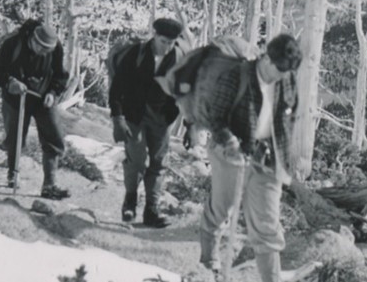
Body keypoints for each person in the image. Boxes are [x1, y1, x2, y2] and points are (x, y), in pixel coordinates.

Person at [188, 33, 302, 282]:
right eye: (280, 69)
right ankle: (209, 264)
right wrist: (230, 141)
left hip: (267, 159)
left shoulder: (287, 79)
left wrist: (285, 156)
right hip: (230, 154)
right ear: (267, 59)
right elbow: (214, 117)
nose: (283, 76)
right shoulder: (237, 76)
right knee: (222, 208)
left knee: (268, 225)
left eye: (288, 71)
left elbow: (290, 116)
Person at [109, 17, 184, 228]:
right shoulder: (136, 54)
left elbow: (184, 92)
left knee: (159, 163)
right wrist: (118, 118)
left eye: (171, 42)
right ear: (154, 36)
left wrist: (183, 120)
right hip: (134, 116)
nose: (167, 46)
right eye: (163, 41)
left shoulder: (178, 59)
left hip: (161, 119)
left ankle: (151, 209)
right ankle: (130, 200)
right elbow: (117, 88)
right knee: (137, 160)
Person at [0, 22, 70, 200]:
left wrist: (53, 92)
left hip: (43, 98)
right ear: (32, 39)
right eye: (41, 48)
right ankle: (13, 173)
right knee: (15, 137)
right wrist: (10, 82)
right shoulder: (13, 44)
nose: (44, 52)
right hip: (16, 97)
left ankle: (50, 184)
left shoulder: (55, 48)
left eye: (47, 50)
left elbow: (60, 74)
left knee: (53, 137)